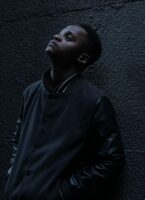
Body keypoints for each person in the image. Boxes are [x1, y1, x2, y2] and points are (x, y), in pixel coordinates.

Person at [4, 24, 125, 200]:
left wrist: (63, 191)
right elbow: (18, 139)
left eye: (68, 37)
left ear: (83, 58)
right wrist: (12, 174)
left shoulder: (94, 101)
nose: (56, 36)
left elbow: (112, 161)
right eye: (59, 33)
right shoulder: (30, 92)